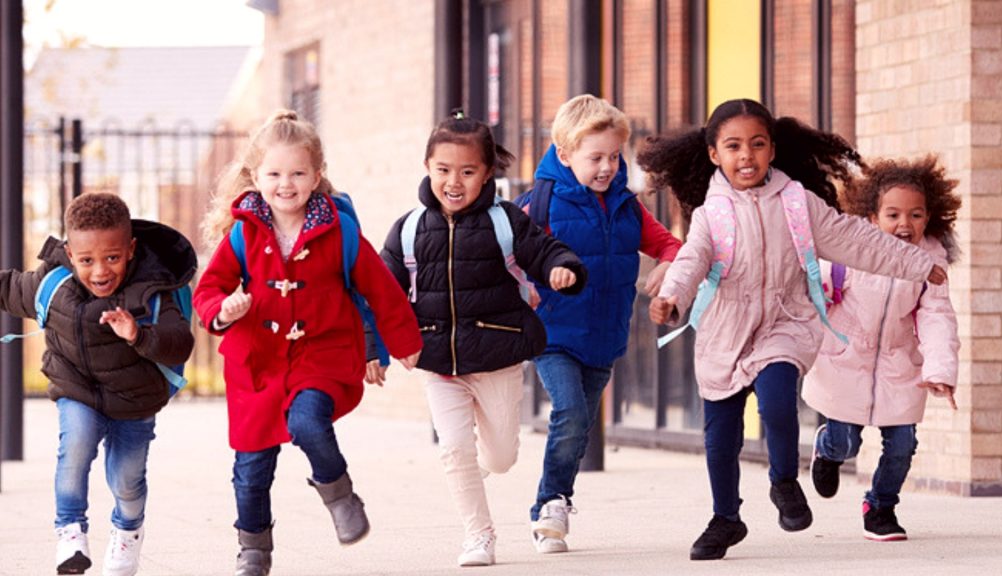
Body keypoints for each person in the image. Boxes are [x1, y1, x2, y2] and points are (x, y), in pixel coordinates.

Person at [640, 98, 948, 561]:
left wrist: (917, 263)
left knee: (778, 398)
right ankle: (726, 518)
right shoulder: (711, 215)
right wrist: (673, 299)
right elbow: (690, 261)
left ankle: (783, 480)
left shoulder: (798, 204)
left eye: (758, 144)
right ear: (714, 155)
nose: (747, 155)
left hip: (785, 320)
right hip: (726, 330)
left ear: (772, 149)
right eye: (734, 146)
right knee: (719, 437)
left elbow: (856, 239)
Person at [192, 110, 422, 576]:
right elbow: (208, 291)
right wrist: (224, 308)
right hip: (257, 363)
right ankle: (253, 550)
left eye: (298, 173)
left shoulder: (340, 231)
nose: (286, 184)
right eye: (274, 174)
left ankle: (337, 492)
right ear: (255, 177)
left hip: (322, 354)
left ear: (317, 176)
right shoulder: (243, 233)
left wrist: (402, 340)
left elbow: (380, 288)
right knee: (251, 468)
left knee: (308, 422)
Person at [371, 110, 586, 567]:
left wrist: (560, 267)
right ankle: (478, 535)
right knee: (453, 448)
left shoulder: (505, 221)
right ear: (427, 167)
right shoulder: (408, 229)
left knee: (502, 456)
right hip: (438, 361)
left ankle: (479, 466)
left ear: (487, 173)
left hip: (497, 355)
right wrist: (379, 345)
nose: (454, 181)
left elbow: (543, 250)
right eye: (443, 170)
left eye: (467, 171)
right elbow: (382, 291)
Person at [0, 192, 196, 576]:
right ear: (71, 255)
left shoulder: (154, 287)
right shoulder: (53, 284)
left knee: (127, 480)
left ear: (131, 249)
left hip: (135, 399)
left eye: (112, 258)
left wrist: (138, 334)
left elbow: (180, 341)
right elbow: (9, 289)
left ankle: (128, 531)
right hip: (77, 391)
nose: (100, 271)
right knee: (74, 447)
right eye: (87, 260)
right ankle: (70, 531)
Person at [519, 94, 682, 555]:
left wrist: (667, 266)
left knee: (581, 425)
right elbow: (508, 257)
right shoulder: (540, 205)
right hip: (553, 333)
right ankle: (550, 503)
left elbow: (669, 245)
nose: (608, 167)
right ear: (565, 154)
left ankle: (559, 496)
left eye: (615, 156)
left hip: (605, 336)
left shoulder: (627, 206)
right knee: (569, 412)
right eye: (596, 158)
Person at [802, 155, 961, 542]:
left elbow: (937, 317)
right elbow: (814, 289)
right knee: (846, 442)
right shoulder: (849, 252)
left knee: (902, 446)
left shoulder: (931, 264)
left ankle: (881, 506)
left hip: (899, 366)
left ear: (929, 217)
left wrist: (939, 370)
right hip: (845, 362)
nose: (904, 224)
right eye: (893, 215)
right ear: (873, 217)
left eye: (916, 215)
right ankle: (827, 450)